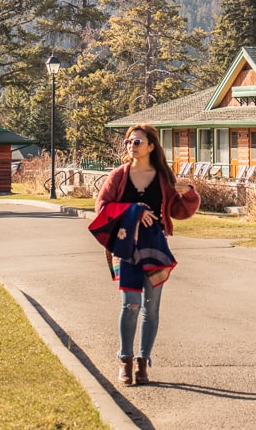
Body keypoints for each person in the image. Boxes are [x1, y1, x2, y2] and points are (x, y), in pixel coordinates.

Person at [91, 123, 200, 386]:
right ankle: (125, 360)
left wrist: (190, 193)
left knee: (151, 309)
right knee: (130, 304)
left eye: (137, 141)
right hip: (125, 247)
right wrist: (135, 210)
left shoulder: (163, 177)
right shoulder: (118, 175)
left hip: (155, 247)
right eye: (129, 142)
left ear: (151, 146)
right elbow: (102, 208)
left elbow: (180, 211)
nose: (132, 146)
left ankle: (143, 362)